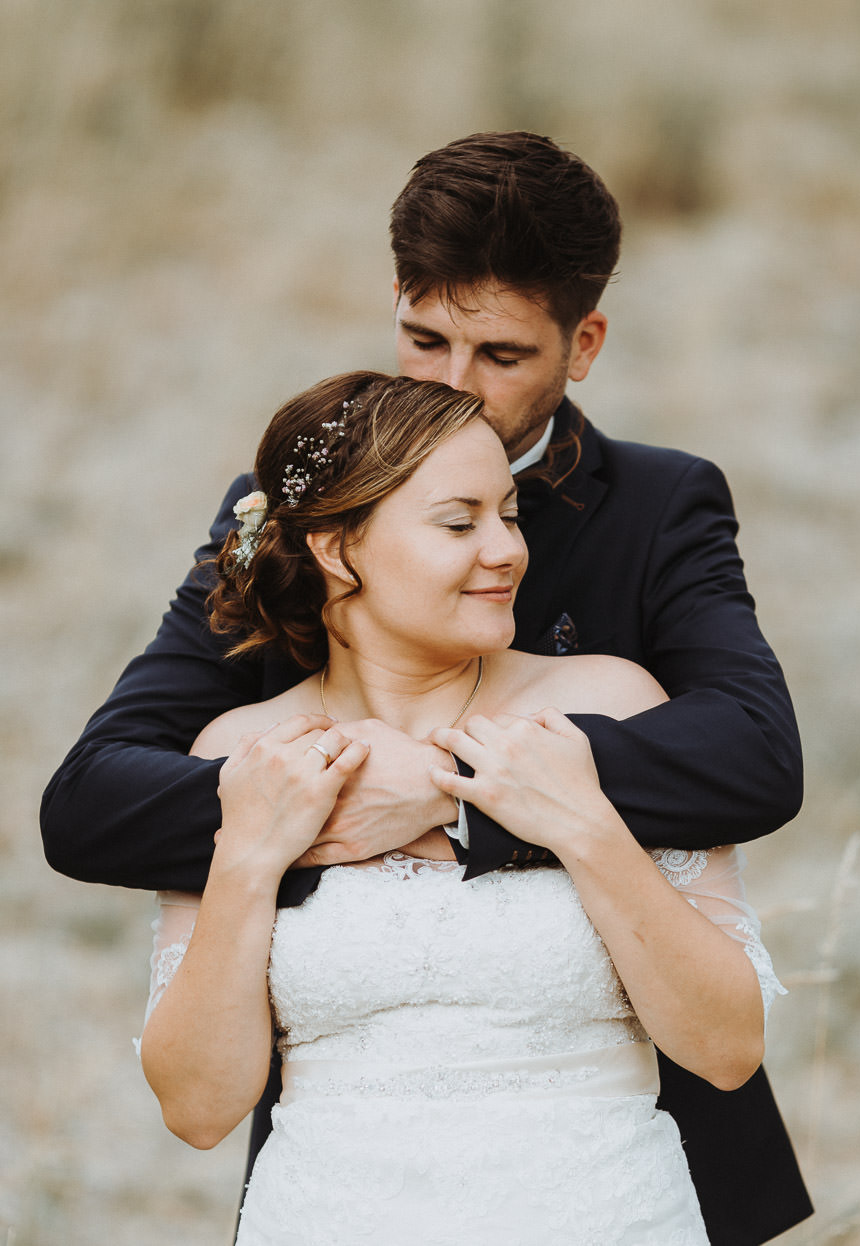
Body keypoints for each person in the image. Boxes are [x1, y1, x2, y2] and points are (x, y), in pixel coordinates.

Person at [41, 132, 811, 1244]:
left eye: (499, 353)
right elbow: (94, 800)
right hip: (347, 1145)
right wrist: (325, 802)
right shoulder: (289, 509)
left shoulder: (657, 508)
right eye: (422, 338)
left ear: (580, 342)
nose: (452, 385)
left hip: (614, 1131)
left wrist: (464, 796)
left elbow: (751, 756)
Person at [139, 370, 782, 1245]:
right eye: (459, 522)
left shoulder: (611, 705)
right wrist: (248, 859)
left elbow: (727, 1047)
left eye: (509, 515)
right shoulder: (243, 754)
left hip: (605, 1215)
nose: (507, 550)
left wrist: (581, 822)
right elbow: (199, 1110)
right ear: (337, 548)